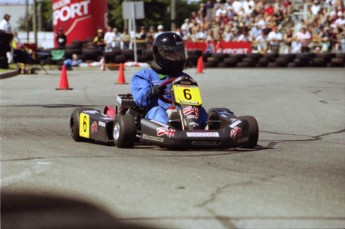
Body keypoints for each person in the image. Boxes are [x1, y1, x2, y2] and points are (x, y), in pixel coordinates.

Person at [130, 32, 208, 128]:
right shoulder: (144, 75)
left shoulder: (184, 77)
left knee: (200, 111)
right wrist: (151, 92)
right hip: (154, 112)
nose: (178, 57)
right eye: (174, 54)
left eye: (180, 53)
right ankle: (168, 128)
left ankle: (206, 126)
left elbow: (194, 100)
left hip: (182, 111)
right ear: (161, 54)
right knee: (157, 111)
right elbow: (139, 100)